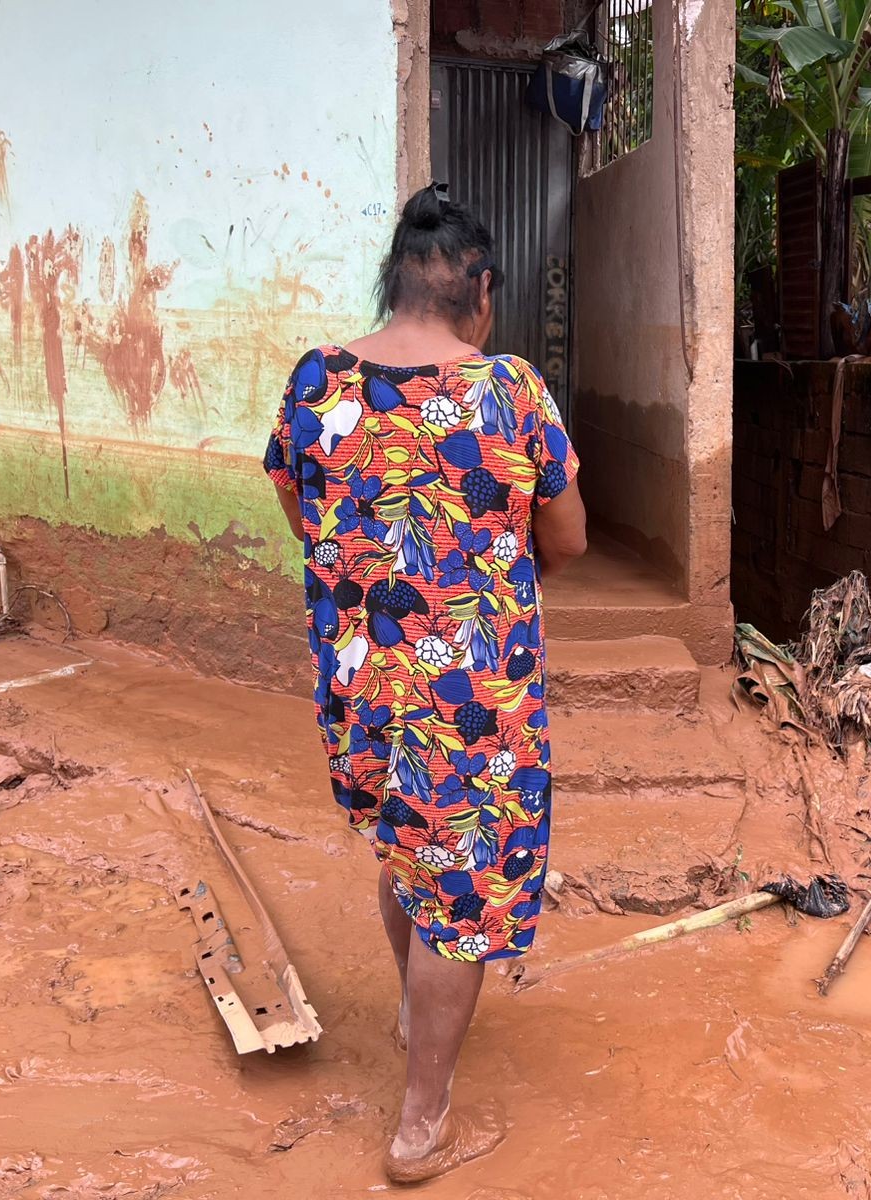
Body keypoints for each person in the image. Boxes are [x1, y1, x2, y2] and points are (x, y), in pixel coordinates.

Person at [262, 183, 586, 1185]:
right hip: (474, 693)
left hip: (362, 683)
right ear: (479, 292)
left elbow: (296, 505)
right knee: (462, 888)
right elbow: (568, 541)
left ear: (394, 282)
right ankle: (420, 1121)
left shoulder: (317, 383)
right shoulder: (512, 393)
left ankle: (412, 1008)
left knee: (407, 847)